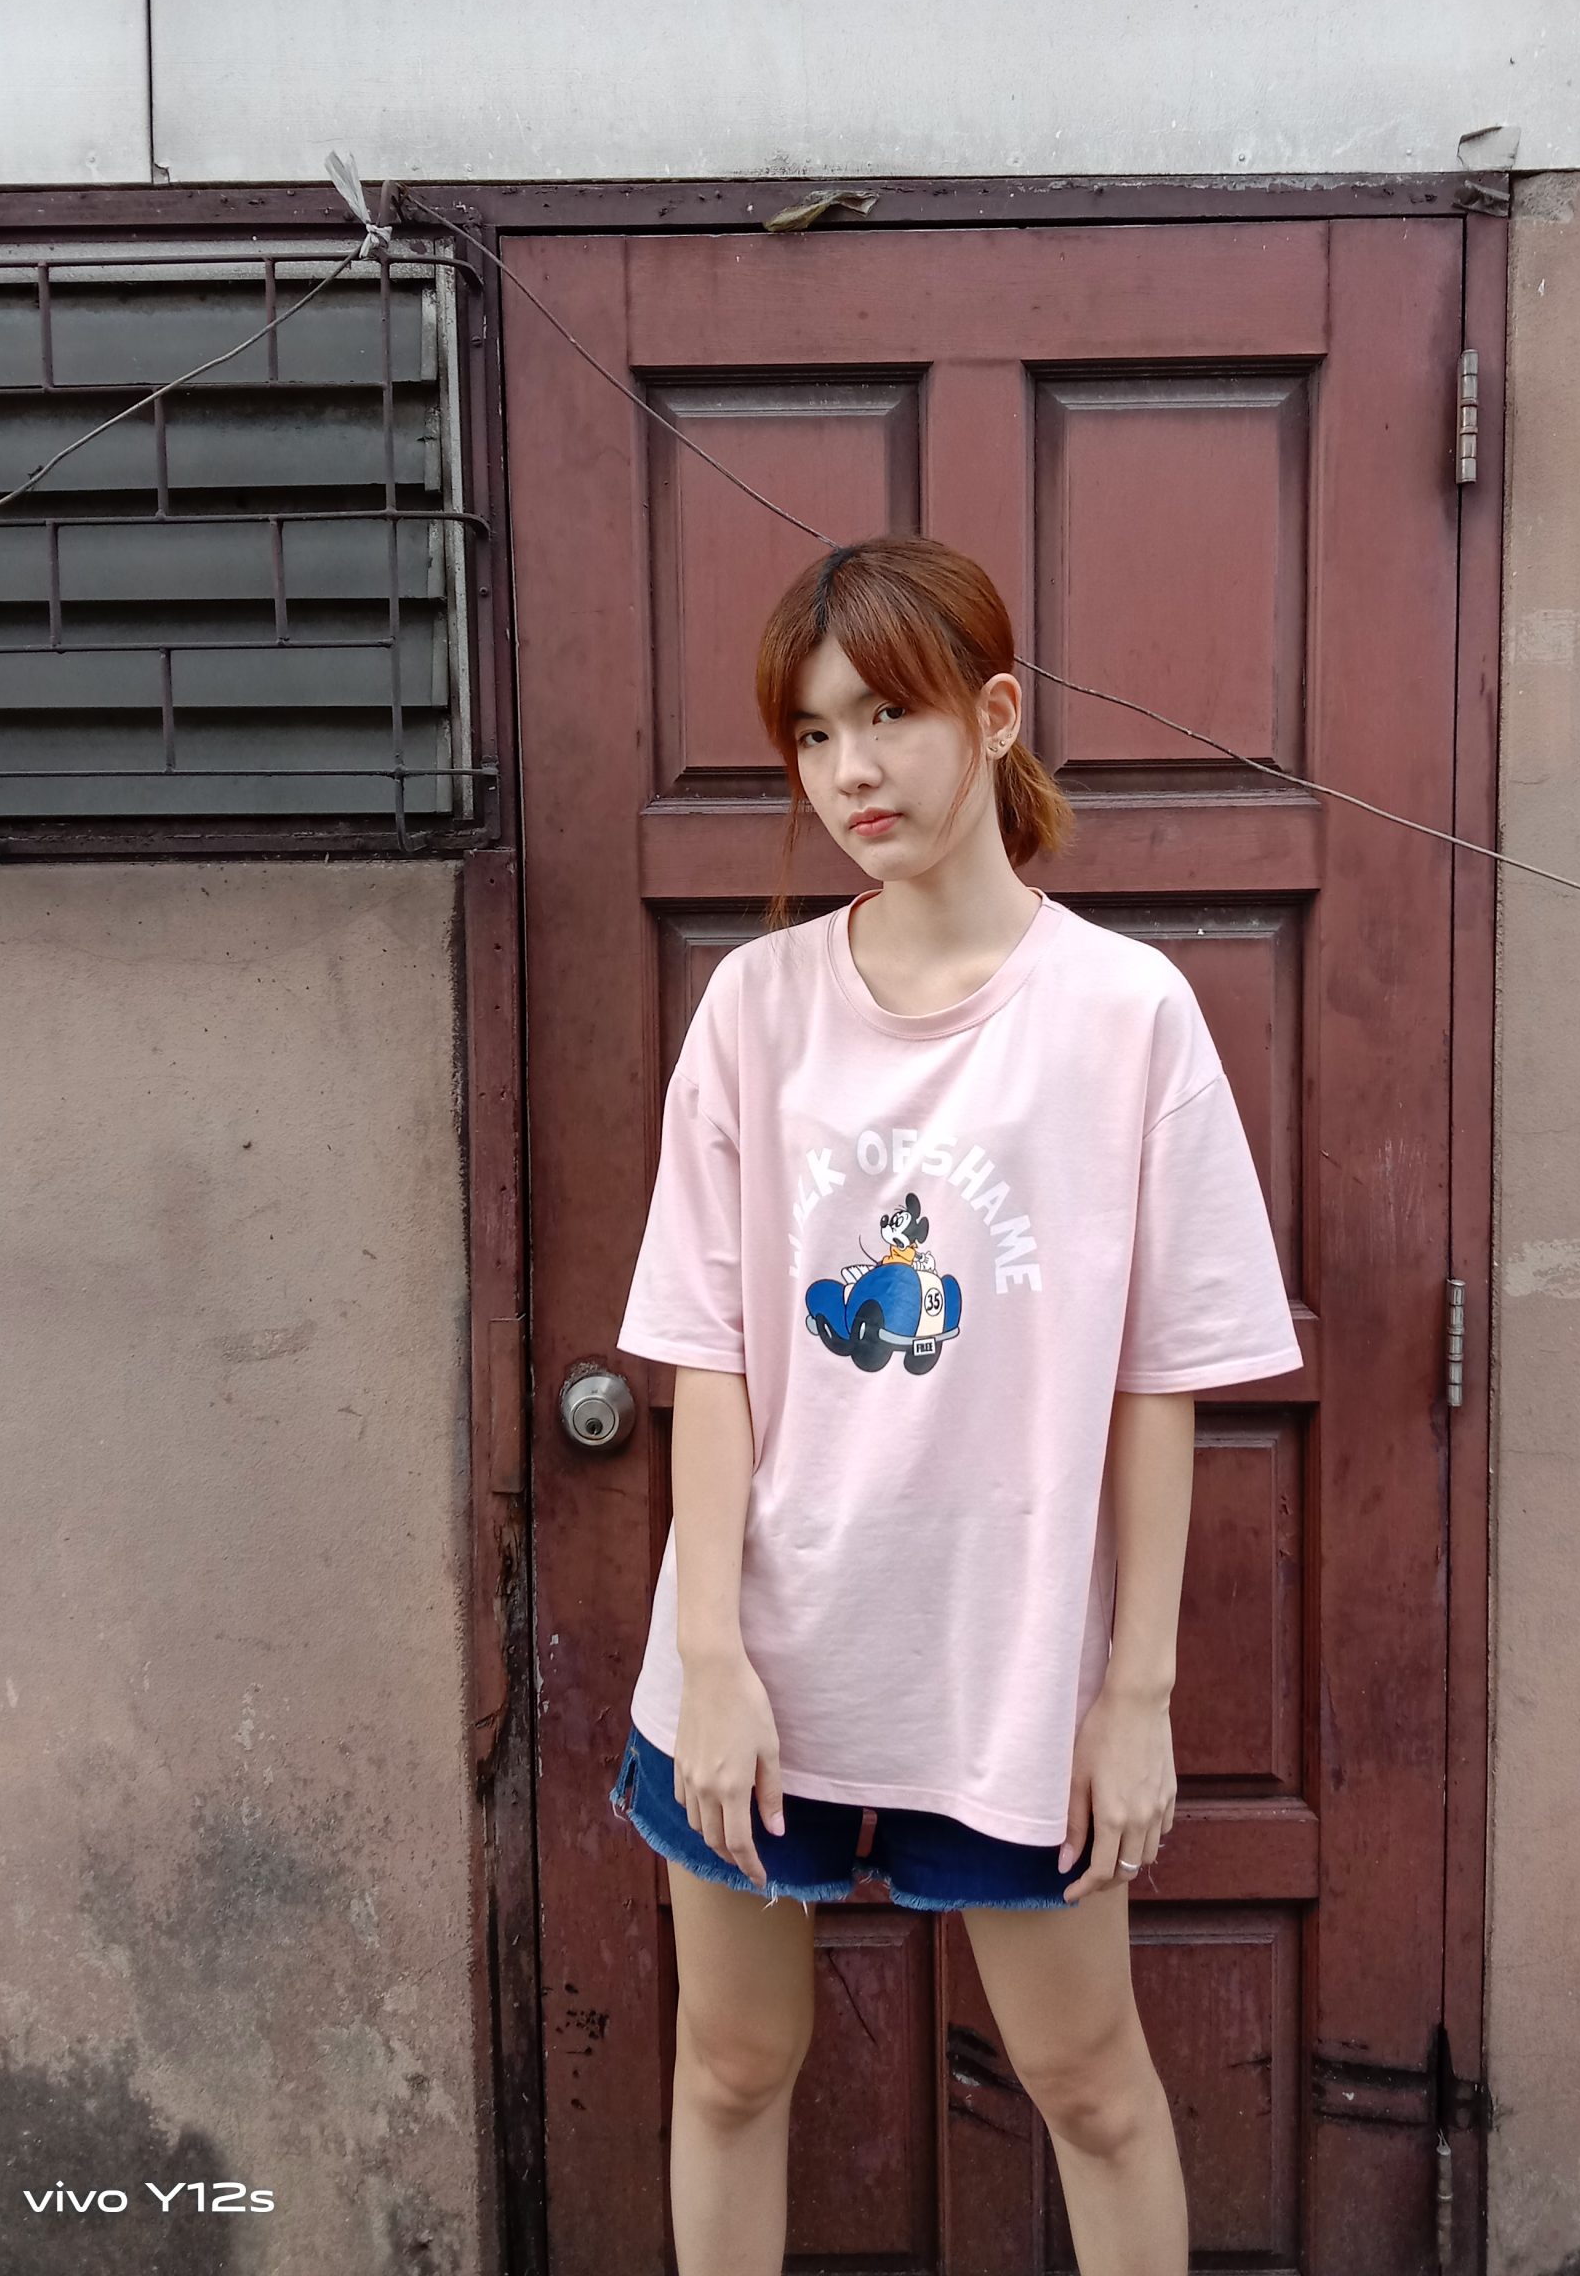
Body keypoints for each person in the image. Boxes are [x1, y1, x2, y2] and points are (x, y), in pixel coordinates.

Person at [606, 534, 1301, 2276]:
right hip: (766, 1646)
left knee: (1090, 2085)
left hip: (1009, 1670)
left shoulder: (1126, 1015)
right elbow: (709, 1354)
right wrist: (711, 1658)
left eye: (888, 717)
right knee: (731, 2064)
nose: (849, 769)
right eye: (812, 733)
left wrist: (1134, 1694)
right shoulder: (755, 1010)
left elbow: (1160, 1377)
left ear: (993, 716)